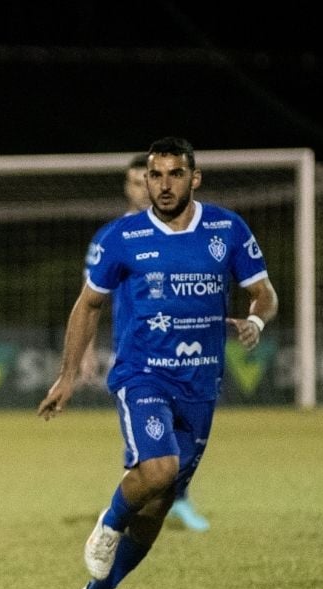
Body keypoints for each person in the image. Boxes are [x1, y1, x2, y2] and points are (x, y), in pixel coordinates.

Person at [38, 137, 278, 589]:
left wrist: (256, 322)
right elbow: (87, 305)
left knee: (158, 506)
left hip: (202, 383)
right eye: (155, 175)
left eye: (174, 174)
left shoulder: (227, 230)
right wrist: (67, 376)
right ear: (145, 180)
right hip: (141, 374)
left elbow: (263, 294)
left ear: (194, 178)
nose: (164, 185)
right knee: (158, 469)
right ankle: (107, 525)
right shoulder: (119, 237)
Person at [81, 153, 210, 533]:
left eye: (149, 180)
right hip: (138, 354)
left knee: (183, 434)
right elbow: (89, 299)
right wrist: (85, 350)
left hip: (188, 354)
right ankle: (155, 500)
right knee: (152, 434)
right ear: (128, 187)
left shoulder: (187, 231)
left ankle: (170, 498)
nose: (147, 188)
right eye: (137, 182)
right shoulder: (112, 237)